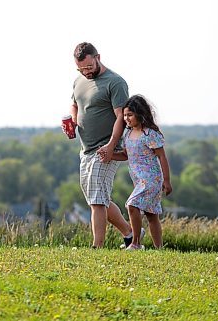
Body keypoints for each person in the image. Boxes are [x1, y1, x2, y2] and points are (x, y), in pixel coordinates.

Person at [65, 42, 142, 249]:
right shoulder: (79, 80)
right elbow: (75, 104)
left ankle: (97, 247)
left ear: (98, 57)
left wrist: (111, 146)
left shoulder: (115, 82)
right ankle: (130, 234)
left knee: (97, 200)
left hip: (107, 148)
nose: (86, 72)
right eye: (81, 69)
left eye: (89, 67)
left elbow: (121, 117)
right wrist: (73, 121)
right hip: (86, 148)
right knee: (95, 197)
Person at [111, 95, 172, 250]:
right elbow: (126, 155)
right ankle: (160, 248)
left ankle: (136, 243)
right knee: (152, 215)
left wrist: (167, 180)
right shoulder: (127, 134)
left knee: (131, 205)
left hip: (151, 179)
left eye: (130, 115)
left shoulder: (149, 134)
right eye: (124, 115)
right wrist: (109, 154)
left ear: (140, 113)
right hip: (138, 180)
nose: (126, 118)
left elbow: (162, 157)